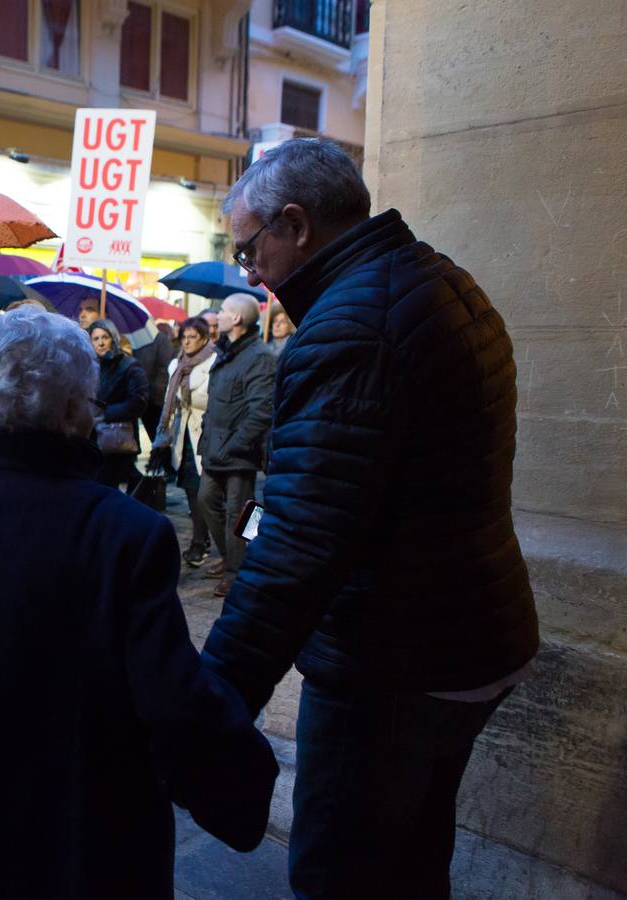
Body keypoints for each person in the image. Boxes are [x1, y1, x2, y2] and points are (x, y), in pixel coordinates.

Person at [201, 138, 540, 899]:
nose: (251, 274)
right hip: (469, 634)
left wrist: (212, 700)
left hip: (399, 659)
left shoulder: (353, 328)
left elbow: (299, 545)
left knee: (342, 870)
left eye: (251, 250)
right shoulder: (437, 279)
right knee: (413, 858)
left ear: (296, 225)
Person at [0, 307, 278, 898]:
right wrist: (240, 778)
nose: (93, 409)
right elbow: (171, 703)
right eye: (86, 398)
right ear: (66, 411)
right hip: (72, 834)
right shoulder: (125, 532)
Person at [197, 293, 275, 597]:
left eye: (224, 310)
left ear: (237, 319)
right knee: (206, 501)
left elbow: (261, 411)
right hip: (216, 448)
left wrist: (234, 445)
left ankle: (240, 569)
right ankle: (231, 557)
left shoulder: (259, 357)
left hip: (238, 453)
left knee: (242, 513)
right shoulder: (226, 352)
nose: (218, 314)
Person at [150, 315, 216, 568]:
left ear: (203, 338)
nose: (187, 342)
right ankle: (199, 541)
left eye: (192, 338)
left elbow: (208, 399)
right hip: (183, 434)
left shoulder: (213, 361)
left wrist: (186, 396)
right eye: (184, 337)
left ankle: (207, 541)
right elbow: (171, 399)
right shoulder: (177, 364)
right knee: (191, 490)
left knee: (206, 493)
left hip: (204, 432)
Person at [88, 318, 148, 490]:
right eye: (96, 338)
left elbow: (139, 402)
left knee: (107, 485)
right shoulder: (91, 366)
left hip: (116, 438)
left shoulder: (129, 366)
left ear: (113, 338)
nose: (100, 343)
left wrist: (106, 414)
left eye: (104, 337)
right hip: (93, 438)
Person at [132, 319, 178, 445]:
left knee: (161, 437)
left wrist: (156, 392)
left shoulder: (159, 339)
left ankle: (162, 461)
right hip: (141, 398)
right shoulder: (133, 341)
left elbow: (166, 367)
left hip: (155, 399)